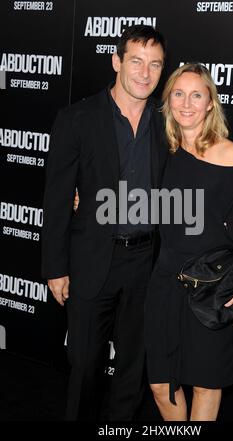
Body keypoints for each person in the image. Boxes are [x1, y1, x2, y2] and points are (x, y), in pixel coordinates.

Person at [41, 25, 168, 421]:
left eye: (155, 65)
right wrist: (56, 268)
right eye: (136, 62)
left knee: (133, 369)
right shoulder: (77, 118)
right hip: (93, 257)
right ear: (117, 62)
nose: (145, 74)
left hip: (147, 262)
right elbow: (58, 198)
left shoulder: (170, 124)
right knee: (84, 365)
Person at [144, 63, 233, 421]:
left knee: (205, 384)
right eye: (178, 94)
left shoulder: (228, 154)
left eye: (196, 95)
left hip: (211, 286)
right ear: (168, 102)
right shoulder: (163, 149)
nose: (186, 103)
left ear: (211, 103)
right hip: (165, 281)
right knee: (161, 386)